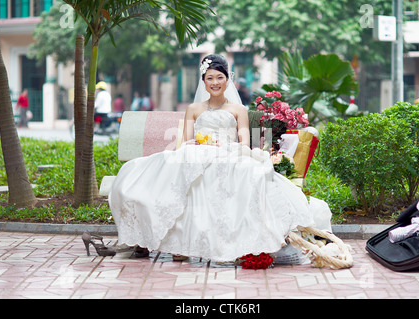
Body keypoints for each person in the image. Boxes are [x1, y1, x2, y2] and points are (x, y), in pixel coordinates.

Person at [109, 54, 315, 262]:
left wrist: (224, 146)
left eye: (219, 77)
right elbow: (186, 142)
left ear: (227, 79)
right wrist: (198, 144)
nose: (214, 82)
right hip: (196, 152)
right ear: (203, 81)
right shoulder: (193, 109)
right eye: (209, 78)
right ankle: (175, 241)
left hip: (226, 151)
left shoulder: (238, 109)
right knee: (146, 170)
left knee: (245, 172)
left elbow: (243, 141)